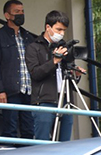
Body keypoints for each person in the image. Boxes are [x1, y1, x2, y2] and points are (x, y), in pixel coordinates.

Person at [0, 0, 35, 140]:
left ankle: (27, 153)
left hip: (29, 91)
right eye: (17, 12)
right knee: (10, 129)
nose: (21, 14)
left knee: (29, 130)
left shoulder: (28, 37)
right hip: (10, 91)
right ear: (7, 15)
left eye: (22, 11)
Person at [25, 10, 75, 141]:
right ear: (48, 27)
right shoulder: (34, 47)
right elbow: (35, 73)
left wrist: (75, 73)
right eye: (58, 29)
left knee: (65, 142)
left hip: (65, 99)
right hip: (44, 101)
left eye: (64, 30)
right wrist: (54, 61)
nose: (61, 33)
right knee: (43, 142)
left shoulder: (63, 46)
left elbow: (68, 74)